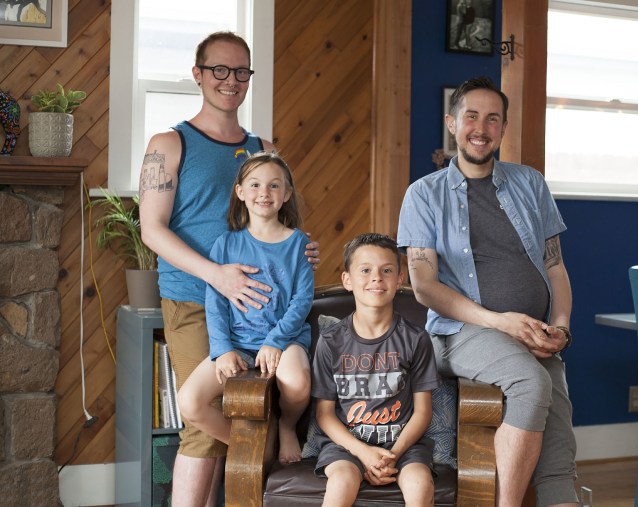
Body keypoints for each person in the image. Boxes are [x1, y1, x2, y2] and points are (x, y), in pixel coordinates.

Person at [139, 31, 319, 507]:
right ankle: (254, 454)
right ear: (198, 74)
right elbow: (152, 231)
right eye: (219, 69)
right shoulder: (169, 143)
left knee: (253, 408)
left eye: (241, 71)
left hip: (264, 307)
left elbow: (282, 217)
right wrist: (217, 275)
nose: (231, 80)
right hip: (197, 297)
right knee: (204, 424)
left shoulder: (264, 146)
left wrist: (303, 252)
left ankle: (257, 458)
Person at [396, 76, 578, 507]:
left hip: (532, 333)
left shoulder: (530, 183)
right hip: (460, 333)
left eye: (493, 118)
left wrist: (561, 327)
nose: (482, 127)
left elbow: (556, 267)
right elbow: (424, 286)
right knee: (532, 386)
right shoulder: (423, 194)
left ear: (503, 128)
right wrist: (500, 322)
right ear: (452, 123)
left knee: (559, 428)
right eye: (471, 116)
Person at [177, 152, 313, 466]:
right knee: (189, 401)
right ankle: (253, 443)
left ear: (286, 194)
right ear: (240, 192)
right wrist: (223, 348)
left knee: (297, 381)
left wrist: (276, 341)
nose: (264, 193)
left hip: (285, 339)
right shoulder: (225, 245)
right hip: (236, 342)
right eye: (254, 184)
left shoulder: (299, 244)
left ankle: (286, 426)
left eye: (274, 185)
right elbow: (215, 302)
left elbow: (302, 301)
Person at [310, 233, 441, 507]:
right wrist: (365, 453)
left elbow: (423, 411)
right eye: (365, 270)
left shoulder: (416, 339)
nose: (377, 278)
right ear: (348, 280)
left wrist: (390, 455)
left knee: (420, 484)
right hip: (347, 446)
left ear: (400, 278)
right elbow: (324, 413)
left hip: (403, 446)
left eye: (387, 270)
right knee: (342, 482)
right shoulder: (331, 340)